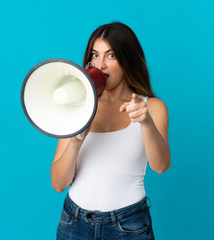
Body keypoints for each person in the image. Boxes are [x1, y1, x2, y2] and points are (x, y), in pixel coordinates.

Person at [50, 22, 171, 240]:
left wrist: (146, 123)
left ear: (128, 60)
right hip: (74, 224)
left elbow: (161, 166)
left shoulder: (153, 108)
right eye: (95, 55)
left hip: (129, 226)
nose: (101, 65)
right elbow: (58, 183)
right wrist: (77, 139)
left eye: (111, 56)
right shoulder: (75, 106)